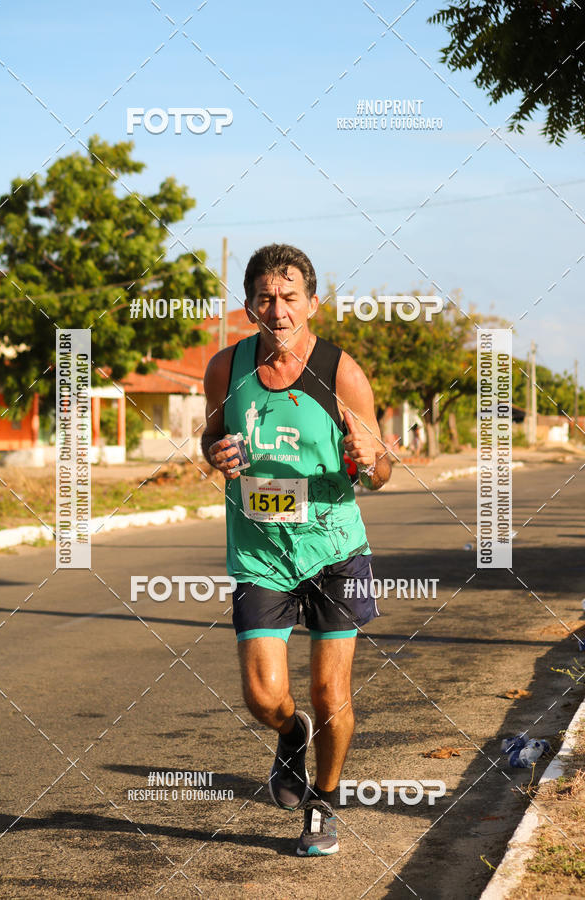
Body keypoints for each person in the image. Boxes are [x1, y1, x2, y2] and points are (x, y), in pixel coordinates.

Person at [202, 244, 392, 856]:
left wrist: (370, 460)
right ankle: (292, 735)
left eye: (289, 298)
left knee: (330, 693)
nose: (277, 310)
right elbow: (211, 435)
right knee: (263, 696)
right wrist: (216, 453)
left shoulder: (340, 372)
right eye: (265, 298)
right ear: (251, 303)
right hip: (259, 551)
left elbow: (382, 467)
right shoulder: (225, 368)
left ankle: (322, 803)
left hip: (334, 549)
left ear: (311, 301)